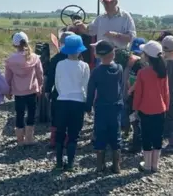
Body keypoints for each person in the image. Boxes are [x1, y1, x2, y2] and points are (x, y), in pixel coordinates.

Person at [86, 40, 124, 173]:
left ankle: (99, 166)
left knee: (100, 133)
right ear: (113, 53)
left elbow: (90, 91)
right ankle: (116, 165)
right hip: (116, 106)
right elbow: (121, 86)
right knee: (116, 133)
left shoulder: (96, 71)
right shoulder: (119, 68)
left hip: (101, 107)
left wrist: (88, 106)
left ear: (98, 55)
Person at [54, 34, 90, 171]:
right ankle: (70, 163)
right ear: (80, 50)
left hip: (62, 101)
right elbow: (86, 86)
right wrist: (87, 102)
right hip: (78, 102)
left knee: (60, 131)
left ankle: (58, 162)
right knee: (74, 133)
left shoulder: (60, 64)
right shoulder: (84, 66)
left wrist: (63, 92)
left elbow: (57, 84)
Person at [133, 40, 169, 172]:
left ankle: (147, 165)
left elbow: (138, 94)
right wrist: (166, 106)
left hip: (145, 108)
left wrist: (135, 108)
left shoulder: (143, 73)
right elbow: (166, 93)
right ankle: (155, 165)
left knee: (146, 136)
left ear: (147, 56)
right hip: (160, 108)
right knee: (158, 136)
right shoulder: (163, 72)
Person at [5, 32, 44, 146]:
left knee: (19, 114)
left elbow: (7, 78)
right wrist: (40, 86)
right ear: (27, 42)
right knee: (31, 113)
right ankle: (29, 138)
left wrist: (8, 91)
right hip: (32, 90)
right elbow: (40, 74)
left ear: (14, 45)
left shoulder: (11, 60)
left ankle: (20, 139)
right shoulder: (35, 57)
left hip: (18, 92)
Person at [44, 31, 75, 148]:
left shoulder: (56, 59)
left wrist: (47, 90)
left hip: (58, 92)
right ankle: (67, 138)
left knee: (56, 116)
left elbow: (50, 77)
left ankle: (55, 139)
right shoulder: (78, 59)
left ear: (61, 43)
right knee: (69, 116)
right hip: (73, 93)